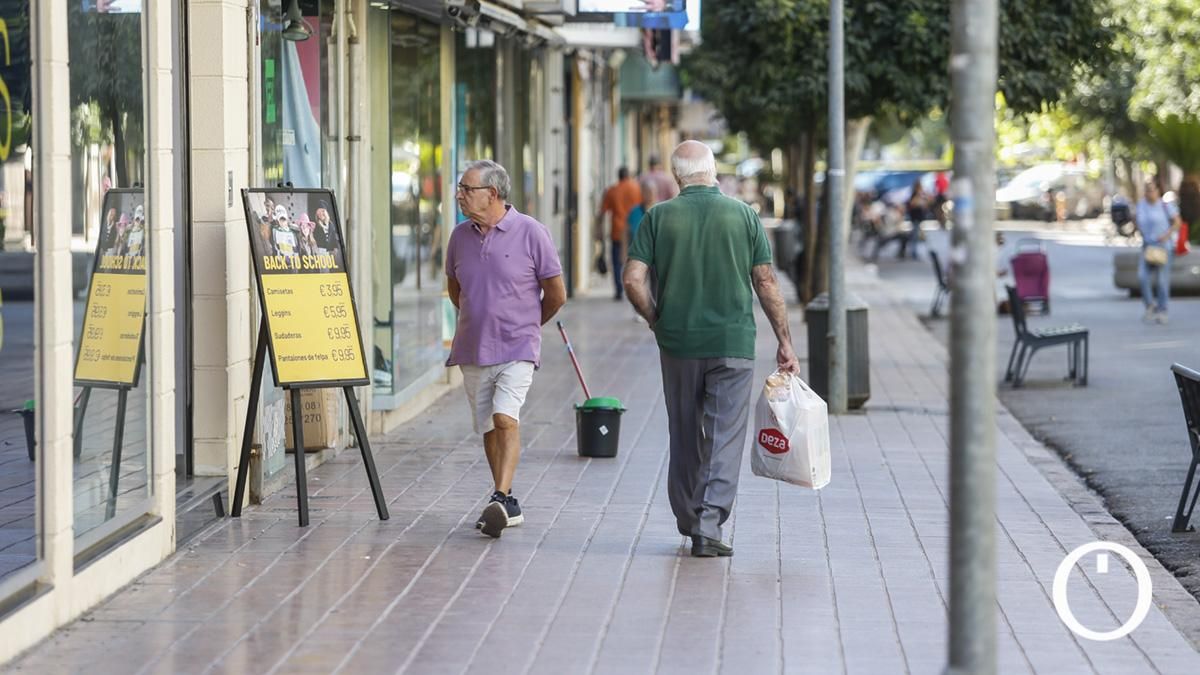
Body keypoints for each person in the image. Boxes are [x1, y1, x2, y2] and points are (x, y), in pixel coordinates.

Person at [623, 141, 800, 558]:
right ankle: (708, 525)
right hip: (732, 343)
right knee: (724, 436)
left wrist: (655, 318)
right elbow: (767, 282)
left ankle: (688, 518)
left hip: (678, 342)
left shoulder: (658, 217)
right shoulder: (743, 216)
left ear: (677, 175)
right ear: (712, 170)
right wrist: (785, 340)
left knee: (684, 431)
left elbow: (633, 279)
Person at [446, 160, 566, 538]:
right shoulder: (459, 237)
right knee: (487, 426)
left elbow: (557, 294)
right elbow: (455, 290)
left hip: (518, 345)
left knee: (504, 417)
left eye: (467, 189)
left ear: (492, 194)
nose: (459, 195)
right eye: (460, 188)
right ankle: (506, 500)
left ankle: (499, 493)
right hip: (473, 346)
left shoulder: (532, 233)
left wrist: (528, 324)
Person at [1135, 179, 1181, 324]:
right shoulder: (1142, 205)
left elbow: (1177, 222)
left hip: (1163, 246)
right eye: (1147, 190)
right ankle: (1150, 305)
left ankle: (1163, 310)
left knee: (1162, 280)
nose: (1150, 193)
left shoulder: (1165, 205)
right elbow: (1138, 221)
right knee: (1142, 277)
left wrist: (1166, 235)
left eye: (1152, 190)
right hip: (1148, 246)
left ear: (1158, 190)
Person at [595, 167, 643, 300]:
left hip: (617, 231)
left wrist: (598, 231)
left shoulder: (612, 191)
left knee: (617, 263)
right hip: (635, 230)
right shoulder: (637, 189)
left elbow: (602, 213)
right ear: (628, 176)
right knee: (635, 261)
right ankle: (634, 288)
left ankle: (619, 290)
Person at [905, 179, 929, 259]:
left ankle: (914, 252)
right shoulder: (915, 195)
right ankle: (913, 253)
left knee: (916, 235)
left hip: (918, 218)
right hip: (915, 218)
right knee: (914, 236)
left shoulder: (920, 195)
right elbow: (913, 204)